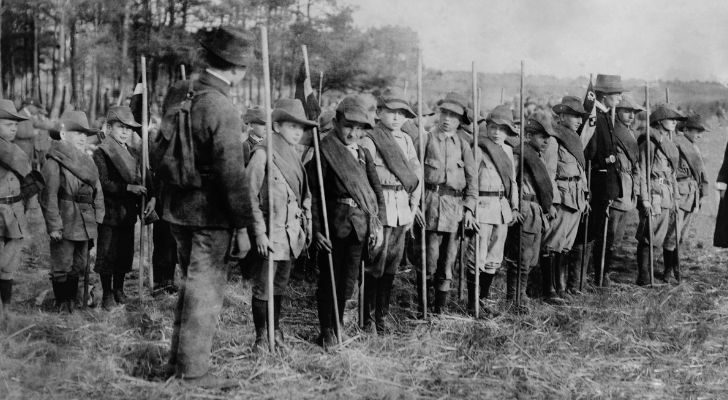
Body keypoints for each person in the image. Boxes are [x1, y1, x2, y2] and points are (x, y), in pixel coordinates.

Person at [161, 26, 251, 388]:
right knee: (205, 292)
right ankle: (194, 373)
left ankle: (178, 365)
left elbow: (159, 148)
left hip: (177, 209)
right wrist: (244, 225)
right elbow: (232, 173)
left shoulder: (179, 91)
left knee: (190, 287)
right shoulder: (221, 105)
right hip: (210, 215)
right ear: (237, 69)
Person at [309, 95, 384, 349]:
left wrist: (378, 222)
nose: (353, 133)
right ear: (337, 123)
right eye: (348, 126)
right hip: (334, 226)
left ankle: (338, 322)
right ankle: (327, 329)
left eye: (359, 128)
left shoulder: (363, 154)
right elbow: (314, 196)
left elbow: (376, 191)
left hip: (359, 227)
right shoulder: (325, 152)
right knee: (329, 279)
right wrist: (317, 230)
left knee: (348, 281)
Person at [242, 98, 314, 352]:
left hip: (290, 235)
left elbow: (304, 197)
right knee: (263, 287)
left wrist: (305, 230)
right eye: (292, 126)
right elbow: (248, 195)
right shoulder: (263, 153)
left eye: (301, 128)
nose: (298, 132)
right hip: (269, 234)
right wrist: (259, 234)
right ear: (277, 126)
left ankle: (275, 329)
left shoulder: (294, 156)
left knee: (279, 286)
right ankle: (261, 337)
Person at [359, 87, 421, 333]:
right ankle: (366, 318)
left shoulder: (406, 140)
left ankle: (381, 317)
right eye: (390, 111)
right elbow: (363, 175)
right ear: (380, 112)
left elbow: (416, 173)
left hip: (401, 207)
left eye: (401, 113)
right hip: (380, 204)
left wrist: (413, 203)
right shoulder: (370, 139)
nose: (396, 117)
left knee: (391, 266)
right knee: (375, 262)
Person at [416, 92, 477, 314]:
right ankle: (422, 306)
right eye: (444, 113)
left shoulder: (463, 145)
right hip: (430, 205)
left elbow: (472, 181)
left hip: (454, 209)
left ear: (460, 121)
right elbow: (413, 174)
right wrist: (415, 206)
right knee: (428, 261)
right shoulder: (425, 140)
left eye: (453, 116)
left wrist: (469, 209)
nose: (447, 119)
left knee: (448, 262)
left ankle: (439, 310)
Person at [40, 111, 105, 313]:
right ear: (64, 134)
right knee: (62, 264)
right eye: (76, 133)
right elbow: (48, 197)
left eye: (85, 134)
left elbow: (98, 192)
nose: (82, 138)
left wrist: (98, 218)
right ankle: (63, 303)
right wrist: (54, 226)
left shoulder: (89, 162)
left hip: (85, 220)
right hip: (65, 218)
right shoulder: (54, 161)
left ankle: (73, 302)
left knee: (80, 263)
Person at [92, 106, 155, 310]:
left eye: (129, 128)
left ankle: (119, 289)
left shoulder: (135, 153)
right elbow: (103, 182)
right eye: (121, 127)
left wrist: (152, 197)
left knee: (124, 254)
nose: (125, 132)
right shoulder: (101, 152)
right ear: (109, 128)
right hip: (109, 212)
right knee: (107, 254)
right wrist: (128, 187)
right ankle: (107, 294)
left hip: (127, 213)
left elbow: (146, 178)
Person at [464, 105, 518, 313]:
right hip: (482, 207)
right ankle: (472, 302)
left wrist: (513, 207)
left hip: (501, 208)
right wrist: (469, 210)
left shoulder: (508, 151)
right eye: (493, 127)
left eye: (502, 129)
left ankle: (483, 299)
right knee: (477, 256)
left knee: (494, 257)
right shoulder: (478, 149)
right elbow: (470, 181)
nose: (497, 133)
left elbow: (512, 182)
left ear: (508, 132)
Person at [504, 111, 554, 312]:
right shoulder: (521, 154)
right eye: (542, 137)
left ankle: (520, 295)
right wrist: (514, 207)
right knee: (521, 258)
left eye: (548, 138)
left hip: (536, 210)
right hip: (525, 207)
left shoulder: (535, 156)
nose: (546, 141)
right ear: (529, 135)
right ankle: (514, 299)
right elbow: (511, 181)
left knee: (531, 258)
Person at [541, 96, 589, 302]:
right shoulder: (554, 140)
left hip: (576, 197)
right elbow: (548, 173)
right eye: (574, 116)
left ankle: (560, 287)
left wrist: (585, 196)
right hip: (562, 198)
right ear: (561, 116)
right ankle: (549, 289)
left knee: (566, 245)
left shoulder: (574, 139)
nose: (579, 121)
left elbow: (580, 170)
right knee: (552, 244)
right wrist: (552, 201)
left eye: (580, 117)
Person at [635, 104, 684, 286]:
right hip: (654, 193)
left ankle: (650, 274)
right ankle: (644, 276)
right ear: (660, 121)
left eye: (675, 120)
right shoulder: (650, 141)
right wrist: (645, 199)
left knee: (660, 235)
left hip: (667, 194)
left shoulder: (667, 143)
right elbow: (642, 170)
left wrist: (676, 198)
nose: (674, 123)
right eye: (670, 120)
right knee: (649, 234)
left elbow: (672, 174)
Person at [598, 95, 644, 285]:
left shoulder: (630, 133)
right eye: (626, 111)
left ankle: (605, 272)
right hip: (616, 185)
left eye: (633, 112)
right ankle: (602, 274)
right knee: (608, 235)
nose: (631, 116)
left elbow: (636, 164)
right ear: (618, 113)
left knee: (617, 237)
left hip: (628, 187)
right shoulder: (612, 130)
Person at [0, 100, 38, 327]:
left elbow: (27, 182)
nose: (13, 129)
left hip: (14, 211)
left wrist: (30, 205)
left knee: (9, 264)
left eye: (15, 125)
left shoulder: (18, 152)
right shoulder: (9, 152)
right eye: (7, 125)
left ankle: (6, 309)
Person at [584, 74, 624, 286]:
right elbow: (592, 153)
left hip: (605, 185)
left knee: (602, 232)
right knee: (594, 231)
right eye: (617, 94)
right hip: (597, 185)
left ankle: (599, 275)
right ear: (605, 95)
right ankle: (587, 277)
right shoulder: (595, 116)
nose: (619, 98)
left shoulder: (605, 115)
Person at [664, 114, 709, 283]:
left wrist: (702, 193)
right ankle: (668, 269)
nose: (699, 135)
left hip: (692, 194)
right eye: (696, 131)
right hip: (680, 193)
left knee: (681, 236)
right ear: (685, 130)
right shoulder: (677, 143)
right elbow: (671, 169)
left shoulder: (692, 146)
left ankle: (676, 267)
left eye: (701, 132)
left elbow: (701, 172)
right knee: (672, 235)